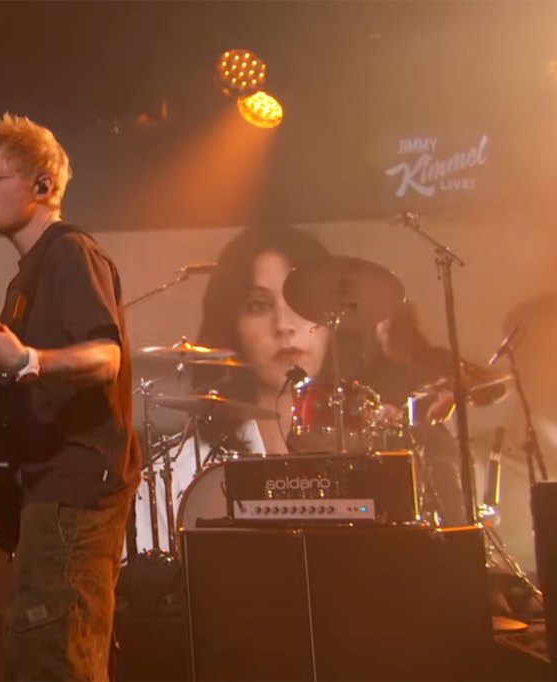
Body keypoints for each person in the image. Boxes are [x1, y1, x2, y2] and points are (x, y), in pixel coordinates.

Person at [0, 113, 140, 680]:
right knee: (36, 652)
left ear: (42, 185)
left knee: (56, 655)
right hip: (46, 489)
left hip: (75, 487)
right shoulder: (24, 277)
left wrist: (25, 361)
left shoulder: (70, 252)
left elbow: (105, 357)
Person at [131, 225, 334, 553]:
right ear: (232, 324)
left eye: (300, 300)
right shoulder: (182, 475)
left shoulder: (374, 453)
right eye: (259, 305)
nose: (284, 325)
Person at [360, 300, 503, 525]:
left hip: (439, 455)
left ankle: (457, 532)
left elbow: (495, 386)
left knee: (445, 473)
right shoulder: (373, 372)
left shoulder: (438, 359)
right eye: (383, 327)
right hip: (389, 459)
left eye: (393, 326)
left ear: (408, 329)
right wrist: (378, 414)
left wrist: (455, 394)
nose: (387, 332)